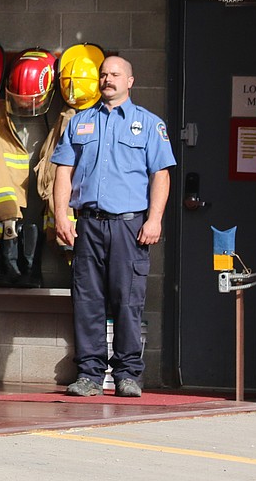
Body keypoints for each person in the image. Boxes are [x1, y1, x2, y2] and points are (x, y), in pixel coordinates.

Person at [51, 55, 175, 398]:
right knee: (87, 301)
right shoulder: (79, 123)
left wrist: (154, 219)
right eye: (104, 74)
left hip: (129, 226)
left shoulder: (149, 124)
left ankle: (128, 374)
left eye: (115, 74)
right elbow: (63, 171)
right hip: (88, 225)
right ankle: (89, 375)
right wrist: (62, 215)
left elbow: (160, 175)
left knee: (127, 301)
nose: (108, 79)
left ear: (130, 81)